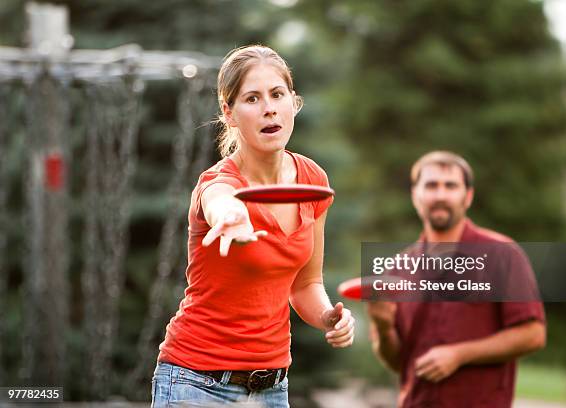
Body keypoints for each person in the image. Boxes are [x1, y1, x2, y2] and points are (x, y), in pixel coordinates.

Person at [151, 45, 355, 408]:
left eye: (277, 94)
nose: (269, 108)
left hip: (272, 390)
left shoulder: (312, 181)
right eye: (252, 98)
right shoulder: (218, 182)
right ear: (229, 114)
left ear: (294, 102)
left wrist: (327, 317)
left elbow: (306, 283)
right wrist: (228, 216)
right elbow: (217, 199)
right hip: (197, 384)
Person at [367, 151, 546, 408]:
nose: (440, 195)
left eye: (450, 186)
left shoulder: (502, 254)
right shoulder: (398, 268)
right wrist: (383, 327)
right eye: (431, 186)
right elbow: (399, 362)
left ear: (468, 196)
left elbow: (533, 334)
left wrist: (459, 354)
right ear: (415, 196)